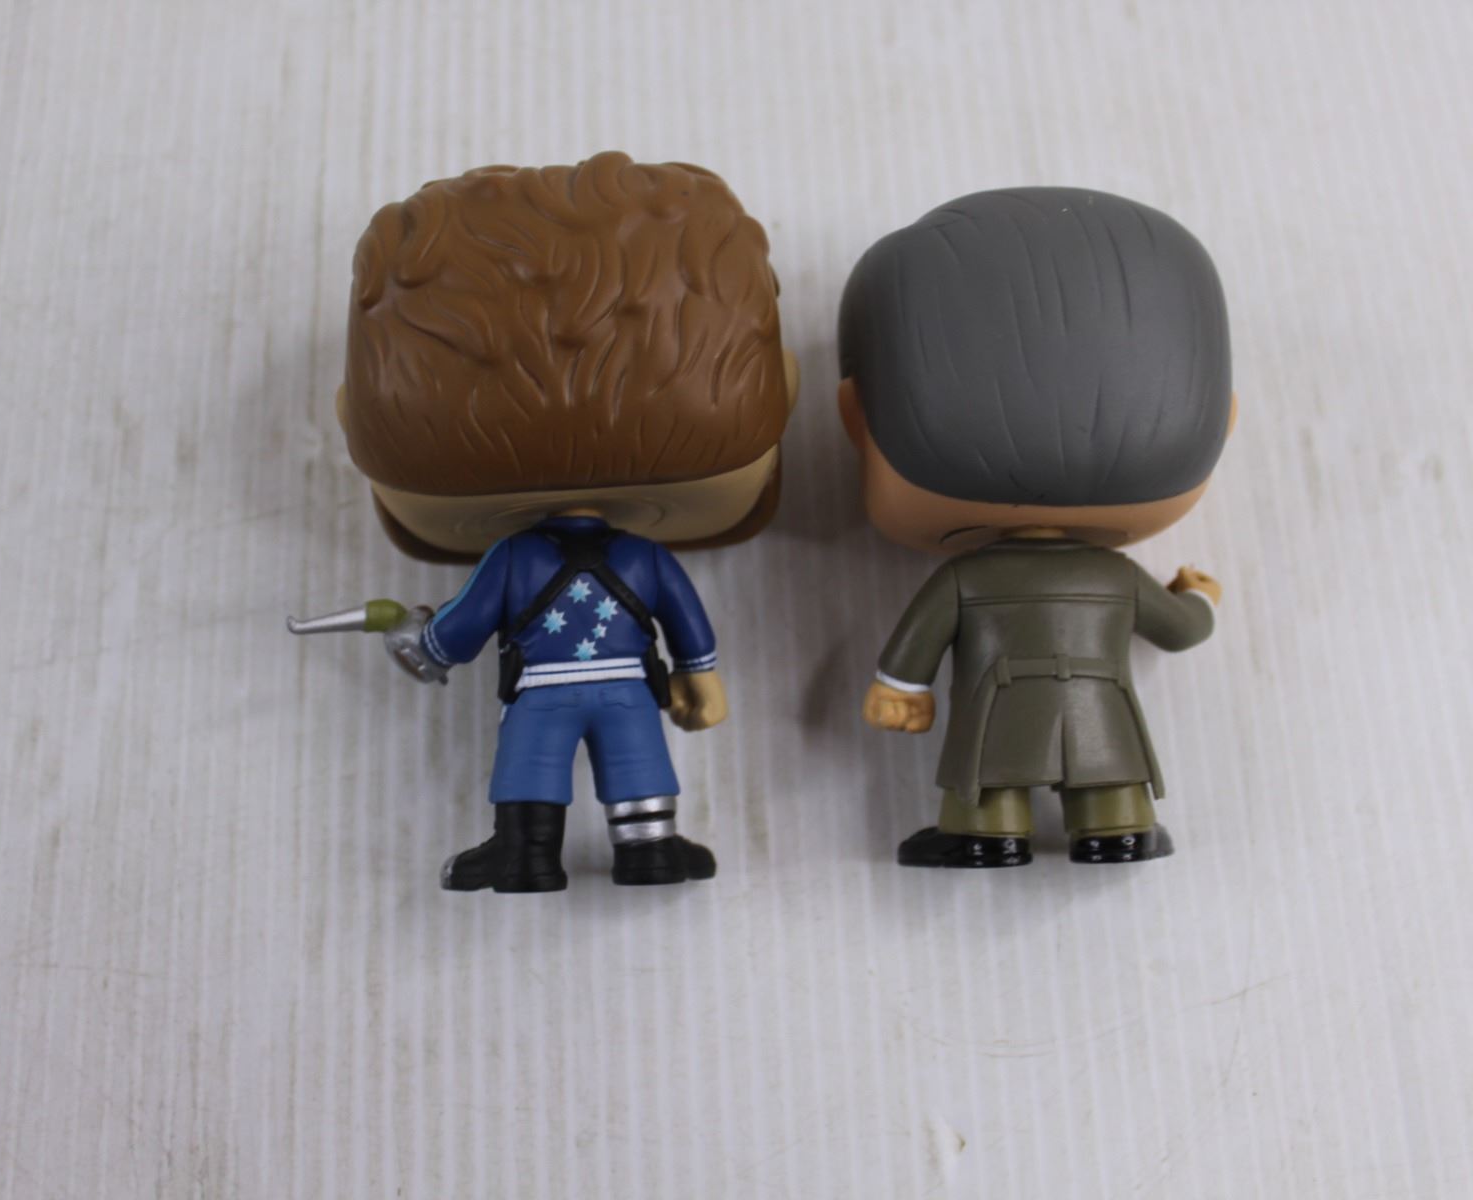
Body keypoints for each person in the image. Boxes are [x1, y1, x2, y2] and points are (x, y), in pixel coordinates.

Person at [335, 152, 795, 891]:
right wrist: (699, 675)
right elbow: (684, 614)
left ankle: (525, 854)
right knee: (637, 760)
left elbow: (465, 624)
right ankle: (648, 849)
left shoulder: (514, 557)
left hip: (544, 687)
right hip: (625, 686)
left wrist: (425, 643)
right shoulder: (643, 555)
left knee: (531, 763)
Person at [837, 187, 1232, 867]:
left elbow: (919, 637)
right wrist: (1199, 595)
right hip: (1097, 696)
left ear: (856, 420)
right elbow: (1181, 631)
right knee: (1106, 763)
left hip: (1000, 696)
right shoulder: (1114, 574)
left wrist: (899, 688)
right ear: (1224, 420)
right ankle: (1118, 826)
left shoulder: (966, 577)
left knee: (989, 766)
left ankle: (985, 833)